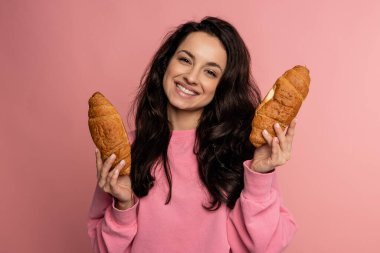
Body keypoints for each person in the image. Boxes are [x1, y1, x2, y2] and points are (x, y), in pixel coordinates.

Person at [87, 16, 298, 253]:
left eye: (210, 72)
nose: (191, 77)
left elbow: (265, 247)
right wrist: (123, 206)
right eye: (185, 60)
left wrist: (260, 176)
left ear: (223, 86)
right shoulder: (128, 150)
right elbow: (104, 249)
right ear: (166, 63)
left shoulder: (242, 152)